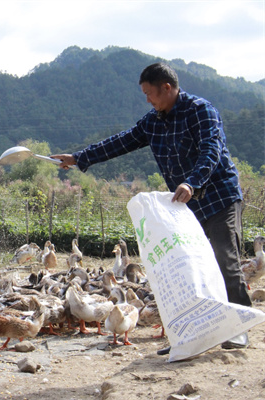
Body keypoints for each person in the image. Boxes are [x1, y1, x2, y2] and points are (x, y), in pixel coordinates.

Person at [51, 62, 251, 353]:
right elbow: (121, 141)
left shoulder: (201, 110)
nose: (147, 99)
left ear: (166, 88)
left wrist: (192, 182)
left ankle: (239, 328)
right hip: (185, 205)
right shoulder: (153, 121)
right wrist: (79, 157)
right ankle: (188, 335)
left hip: (219, 197)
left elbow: (212, 150)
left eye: (149, 93)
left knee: (225, 260)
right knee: (185, 268)